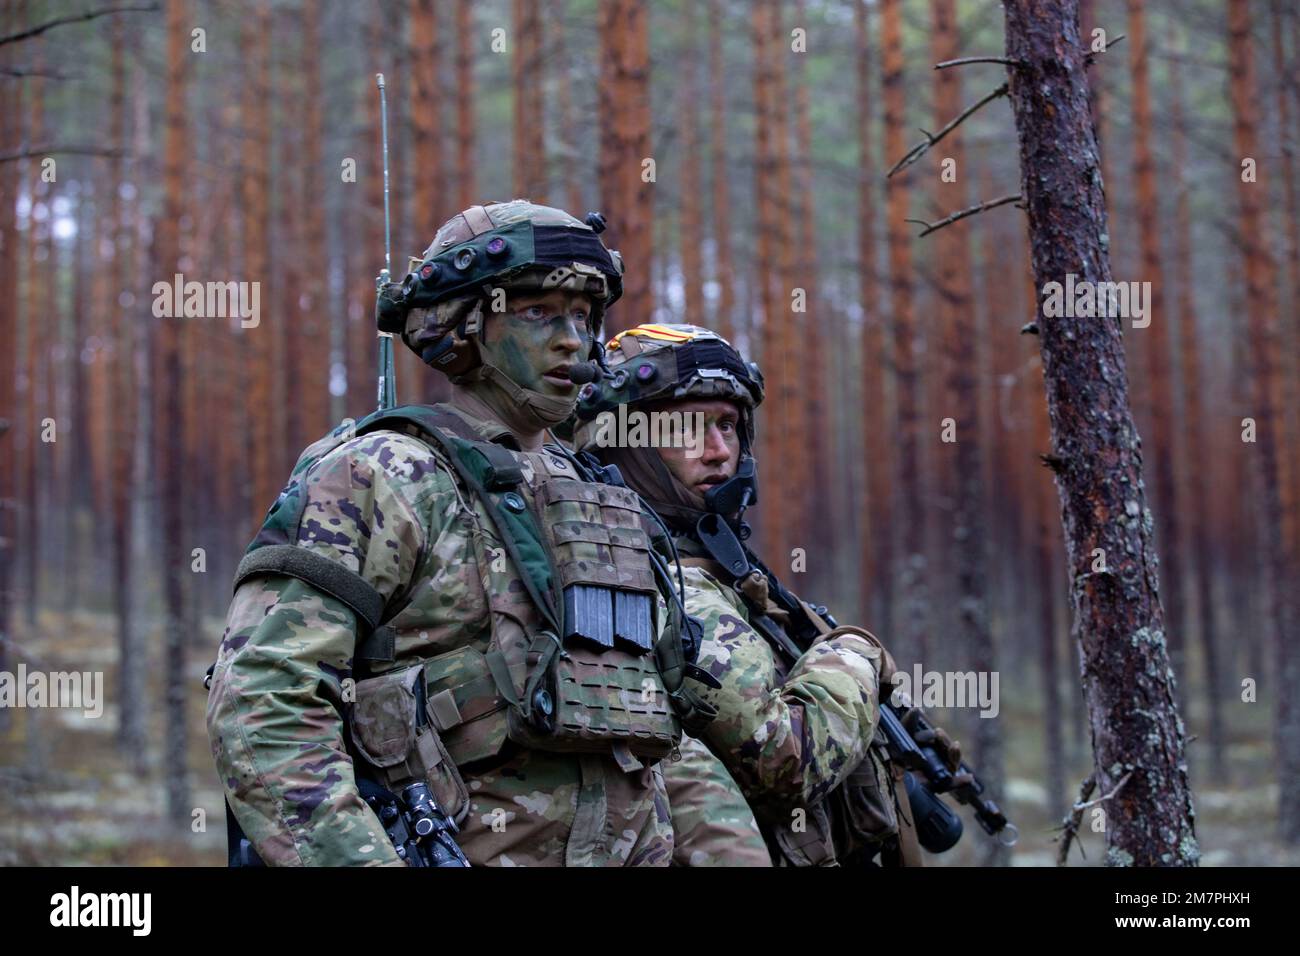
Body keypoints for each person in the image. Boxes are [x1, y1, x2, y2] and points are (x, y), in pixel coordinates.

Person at [205, 201, 714, 866]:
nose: (572, 340)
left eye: (584, 318)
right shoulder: (383, 474)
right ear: (466, 326)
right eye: (538, 314)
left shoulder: (601, 490)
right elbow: (264, 703)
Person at [573, 323, 928, 866]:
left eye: (728, 426)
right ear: (625, 446)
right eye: (687, 429)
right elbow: (785, 760)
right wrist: (856, 653)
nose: (718, 452)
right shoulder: (659, 584)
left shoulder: (713, 570)